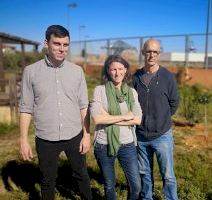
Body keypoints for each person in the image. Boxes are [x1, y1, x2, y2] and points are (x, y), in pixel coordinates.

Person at [19, 25, 92, 200]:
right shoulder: (31, 72)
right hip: (46, 138)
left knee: (82, 175)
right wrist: (23, 140)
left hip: (74, 135)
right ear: (46, 43)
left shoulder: (77, 71)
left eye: (65, 44)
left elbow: (84, 105)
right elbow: (26, 108)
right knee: (47, 180)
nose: (62, 49)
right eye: (57, 43)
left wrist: (87, 135)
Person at [132, 39, 179, 200]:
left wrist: (161, 119)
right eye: (148, 51)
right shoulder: (136, 77)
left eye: (155, 52)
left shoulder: (167, 76)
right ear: (143, 52)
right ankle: (147, 197)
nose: (151, 55)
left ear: (159, 54)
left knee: (168, 175)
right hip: (141, 135)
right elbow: (132, 102)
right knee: (144, 173)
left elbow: (174, 103)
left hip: (162, 135)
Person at [90, 55, 142, 200]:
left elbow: (137, 120)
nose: (117, 73)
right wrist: (125, 117)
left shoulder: (132, 93)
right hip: (103, 144)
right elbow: (97, 118)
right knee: (109, 185)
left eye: (120, 69)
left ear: (125, 70)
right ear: (108, 71)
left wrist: (109, 117)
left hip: (127, 144)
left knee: (136, 185)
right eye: (113, 69)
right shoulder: (99, 90)